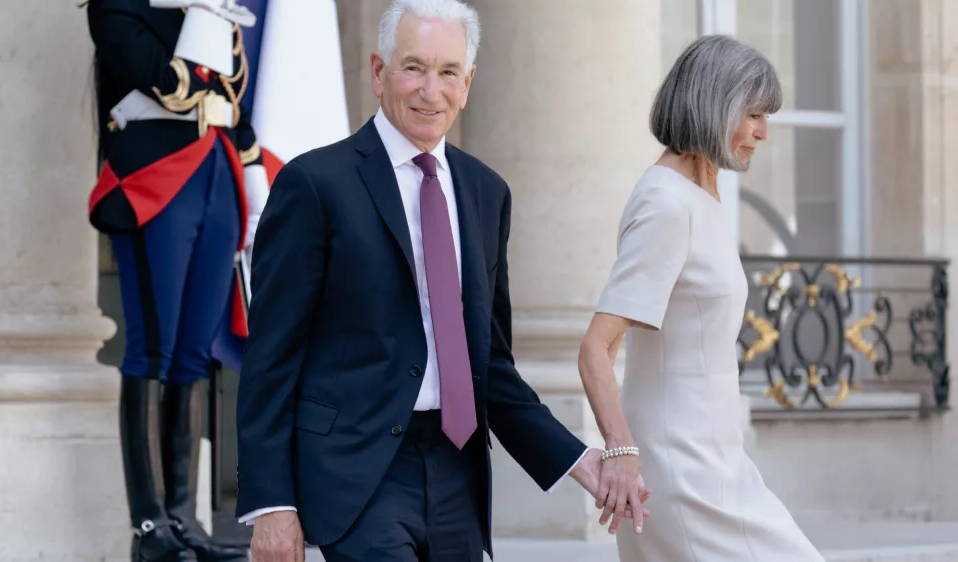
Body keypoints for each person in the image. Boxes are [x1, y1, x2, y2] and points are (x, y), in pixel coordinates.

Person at [233, 1, 649, 560]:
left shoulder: (486, 193)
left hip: (458, 474)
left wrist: (579, 461)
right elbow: (270, 358)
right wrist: (271, 503)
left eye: (448, 72)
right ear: (378, 72)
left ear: (468, 82)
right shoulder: (314, 185)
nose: (432, 90)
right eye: (414, 68)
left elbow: (490, 367)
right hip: (356, 477)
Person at [577, 34, 825, 561]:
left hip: (718, 461)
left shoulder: (703, 195)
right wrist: (622, 452)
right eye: (753, 113)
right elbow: (598, 345)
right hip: (682, 471)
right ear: (714, 105)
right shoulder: (668, 203)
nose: (763, 132)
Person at [85, 0, 270, 560]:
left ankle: (183, 519)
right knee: (153, 349)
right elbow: (169, 81)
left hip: (216, 176)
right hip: (153, 178)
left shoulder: (214, 10)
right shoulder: (119, 6)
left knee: (192, 352)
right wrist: (203, 16)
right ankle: (148, 527)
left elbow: (232, 102)